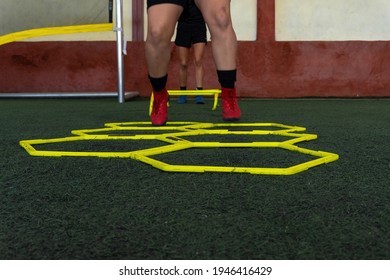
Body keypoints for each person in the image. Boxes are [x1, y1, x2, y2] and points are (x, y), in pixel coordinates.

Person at [146, 0, 241, 126]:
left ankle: (229, 93)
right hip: (184, 26)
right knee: (157, 32)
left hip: (197, 24)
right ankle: (159, 95)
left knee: (221, 18)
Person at [175, 0, 206, 104]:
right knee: (183, 63)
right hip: (183, 25)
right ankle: (183, 93)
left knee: (198, 60)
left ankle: (199, 92)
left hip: (199, 24)